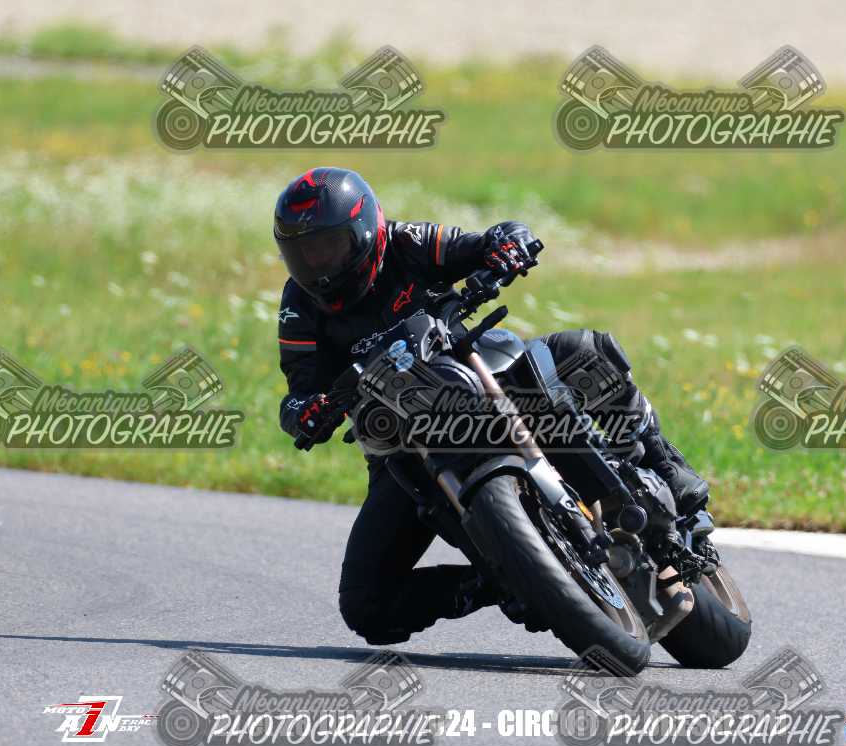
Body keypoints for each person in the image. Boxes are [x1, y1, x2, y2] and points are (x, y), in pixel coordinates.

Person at [275, 166, 710, 645]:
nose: (318, 264)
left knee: (582, 350)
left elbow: (486, 240)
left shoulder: (407, 242)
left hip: (476, 374)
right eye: (303, 252)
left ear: (365, 232)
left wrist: (507, 246)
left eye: (327, 246)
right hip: (403, 442)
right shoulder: (299, 306)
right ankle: (495, 579)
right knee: (365, 606)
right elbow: (298, 392)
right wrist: (306, 413)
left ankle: (664, 464)